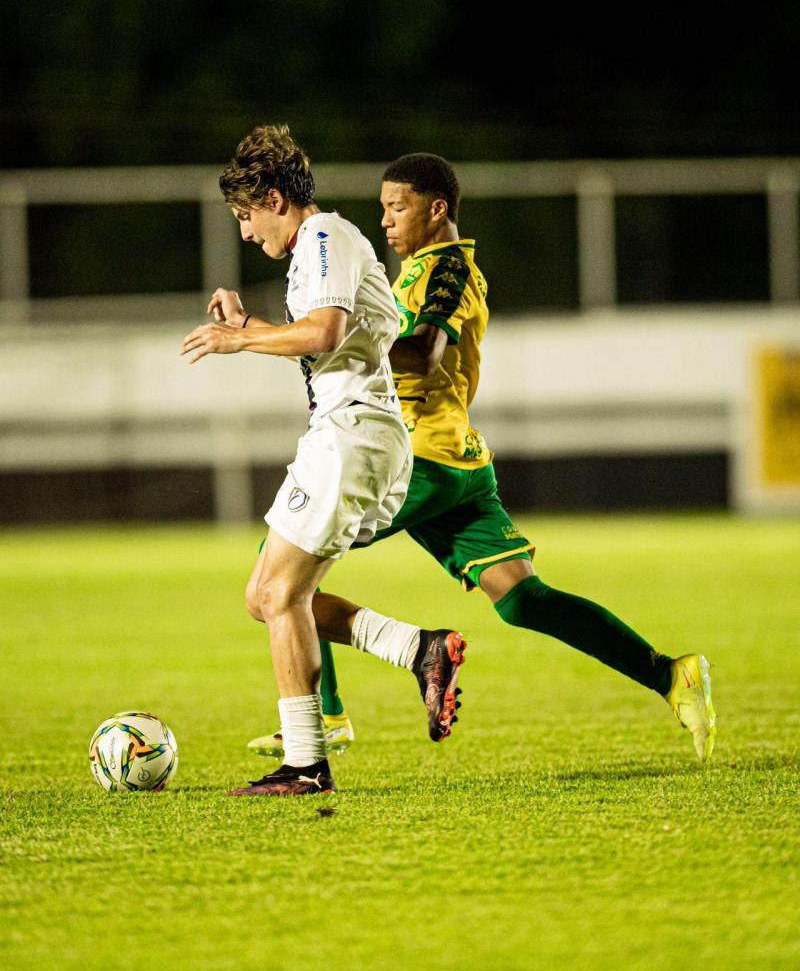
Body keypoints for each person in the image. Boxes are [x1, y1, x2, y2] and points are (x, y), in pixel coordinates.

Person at [249, 152, 717, 765]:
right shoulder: (418, 270)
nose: (386, 221)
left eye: (398, 207)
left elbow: (424, 352)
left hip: (419, 456)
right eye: (383, 208)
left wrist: (337, 344)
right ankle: (669, 674)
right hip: (460, 461)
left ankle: (329, 717)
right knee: (524, 600)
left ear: (435, 208)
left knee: (279, 576)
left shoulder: (446, 271)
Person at [181, 127, 466, 796]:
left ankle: (307, 765)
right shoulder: (313, 250)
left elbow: (327, 334)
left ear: (274, 199)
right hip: (348, 433)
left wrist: (235, 341)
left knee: (279, 595)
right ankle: (418, 650)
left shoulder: (324, 237)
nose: (247, 233)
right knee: (268, 597)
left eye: (247, 217)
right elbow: (325, 340)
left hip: (354, 431)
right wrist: (249, 326)